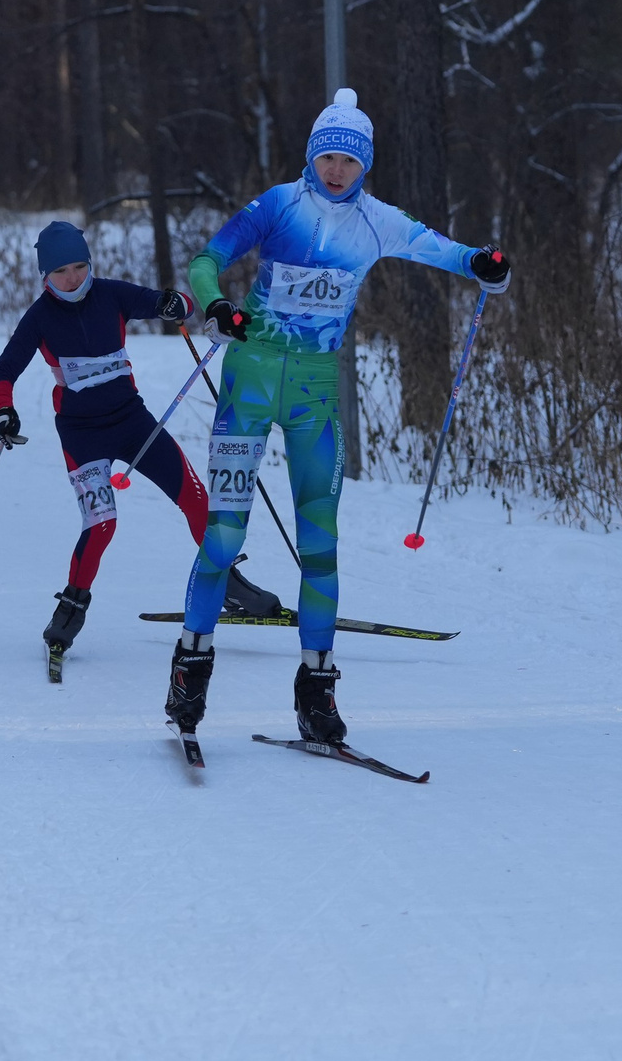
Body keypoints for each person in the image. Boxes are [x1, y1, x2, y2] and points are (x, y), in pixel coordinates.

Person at [169, 88, 509, 748]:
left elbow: (442, 250)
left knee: (320, 545)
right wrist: (215, 306)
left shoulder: (378, 222)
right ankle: (190, 671)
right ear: (311, 154)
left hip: (315, 394)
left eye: (349, 161)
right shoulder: (278, 204)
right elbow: (207, 260)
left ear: (365, 166)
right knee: (223, 535)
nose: (335, 170)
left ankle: (317, 690)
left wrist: (480, 261)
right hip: (250, 381)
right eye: (327, 156)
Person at [0, 220, 283, 662]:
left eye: (79, 266)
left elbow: (175, 304)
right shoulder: (40, 317)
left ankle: (227, 585)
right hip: (82, 435)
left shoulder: (111, 294)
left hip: (133, 422)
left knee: (195, 498)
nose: (72, 278)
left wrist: (172, 303)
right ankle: (70, 608)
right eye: (60, 271)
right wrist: (3, 411)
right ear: (45, 275)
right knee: (101, 525)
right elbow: (4, 371)